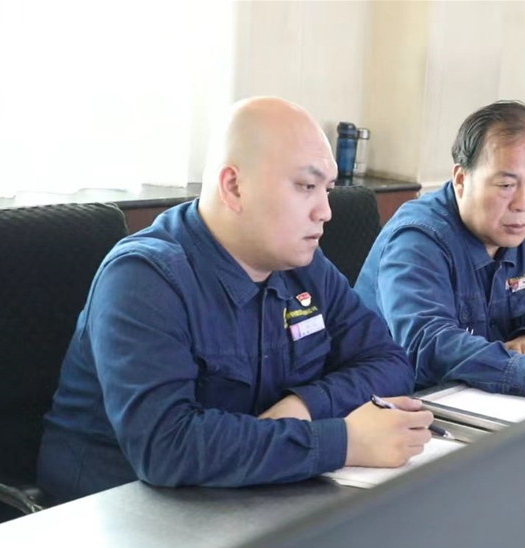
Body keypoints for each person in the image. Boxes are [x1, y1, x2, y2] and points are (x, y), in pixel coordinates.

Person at [37, 97, 433, 504]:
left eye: (327, 190)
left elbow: (389, 362)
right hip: (120, 510)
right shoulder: (143, 278)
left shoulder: (302, 266)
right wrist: (342, 442)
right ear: (234, 187)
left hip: (249, 493)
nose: (325, 212)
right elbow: (167, 448)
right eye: (306, 186)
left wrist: (304, 406)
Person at [355, 101, 525, 402]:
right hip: (400, 404)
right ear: (461, 180)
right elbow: (427, 344)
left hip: (483, 396)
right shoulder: (417, 239)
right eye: (506, 185)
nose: (523, 204)